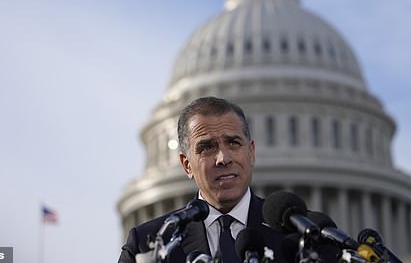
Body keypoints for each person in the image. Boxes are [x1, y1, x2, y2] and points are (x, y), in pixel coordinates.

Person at [117, 96, 286, 263]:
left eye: (233, 143)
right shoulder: (145, 246)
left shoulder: (300, 236)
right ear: (187, 165)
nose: (223, 158)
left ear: (251, 153)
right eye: (207, 148)